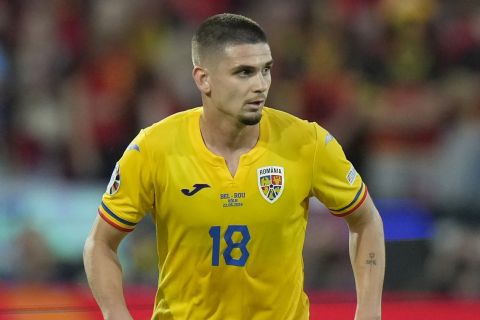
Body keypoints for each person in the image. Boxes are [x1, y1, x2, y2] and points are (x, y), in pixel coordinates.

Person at [83, 13, 385, 320]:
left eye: (265, 70)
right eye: (244, 73)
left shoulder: (308, 143)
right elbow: (100, 244)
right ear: (203, 79)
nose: (260, 85)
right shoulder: (153, 148)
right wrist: (116, 314)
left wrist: (369, 312)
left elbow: (366, 221)